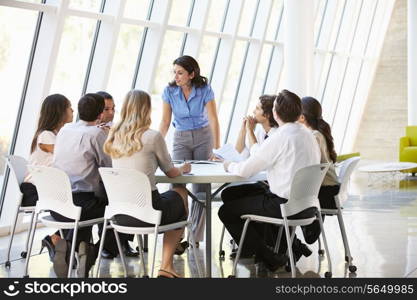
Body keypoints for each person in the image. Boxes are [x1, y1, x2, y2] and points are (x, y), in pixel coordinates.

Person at [218, 90, 321, 272]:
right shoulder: (308, 135)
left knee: (226, 211)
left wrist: (228, 165)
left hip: (283, 205)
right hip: (308, 205)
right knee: (231, 193)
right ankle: (281, 246)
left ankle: (268, 256)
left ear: (275, 113)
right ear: (299, 113)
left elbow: (244, 171)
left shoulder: (280, 137)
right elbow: (261, 154)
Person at [104, 89, 192, 278]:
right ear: (147, 110)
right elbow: (171, 173)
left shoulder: (113, 136)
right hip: (149, 213)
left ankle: (171, 255)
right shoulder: (152, 137)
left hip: (120, 214)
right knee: (180, 193)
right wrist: (184, 168)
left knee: (171, 201)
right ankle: (166, 264)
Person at [52, 93, 117, 278]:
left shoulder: (65, 130)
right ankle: (90, 253)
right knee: (120, 210)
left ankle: (67, 248)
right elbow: (109, 169)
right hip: (82, 205)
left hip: (59, 203)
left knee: (89, 209)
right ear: (100, 114)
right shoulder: (96, 134)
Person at [159, 55, 220, 252]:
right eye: (174, 72)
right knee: (178, 185)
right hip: (181, 138)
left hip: (204, 137)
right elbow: (165, 122)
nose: (176, 76)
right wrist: (155, 143)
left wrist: (216, 148)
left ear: (191, 74)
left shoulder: (204, 89)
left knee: (201, 189)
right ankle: (177, 235)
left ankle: (195, 236)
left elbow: (213, 118)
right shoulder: (169, 91)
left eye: (180, 73)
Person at [20, 94, 73, 262]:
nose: (72, 110)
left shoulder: (53, 135)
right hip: (35, 191)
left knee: (81, 204)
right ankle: (61, 243)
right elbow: (65, 158)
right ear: (59, 112)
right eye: (69, 107)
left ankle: (61, 242)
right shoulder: (46, 136)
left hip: (44, 188)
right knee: (81, 205)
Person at [299, 96, 340, 244]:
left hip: (324, 193)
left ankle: (289, 245)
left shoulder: (313, 136)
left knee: (282, 200)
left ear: (302, 118)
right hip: (329, 189)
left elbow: (310, 168)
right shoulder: (317, 133)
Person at [235, 94, 279, 159]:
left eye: (257, 109)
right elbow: (239, 153)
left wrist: (250, 130)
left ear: (267, 115)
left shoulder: (277, 135)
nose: (253, 111)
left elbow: (258, 157)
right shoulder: (260, 131)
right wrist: (243, 129)